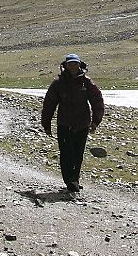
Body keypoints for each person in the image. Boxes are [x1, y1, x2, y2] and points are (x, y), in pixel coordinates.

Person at [41, 53, 104, 196]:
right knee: (66, 153)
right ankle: (69, 181)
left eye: (75, 64)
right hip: (64, 124)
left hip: (82, 124)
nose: (73, 66)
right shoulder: (58, 83)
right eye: (70, 64)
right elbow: (49, 104)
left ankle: (75, 179)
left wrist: (95, 121)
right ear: (66, 66)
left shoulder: (87, 83)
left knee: (78, 154)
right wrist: (46, 123)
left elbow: (97, 101)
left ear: (79, 65)